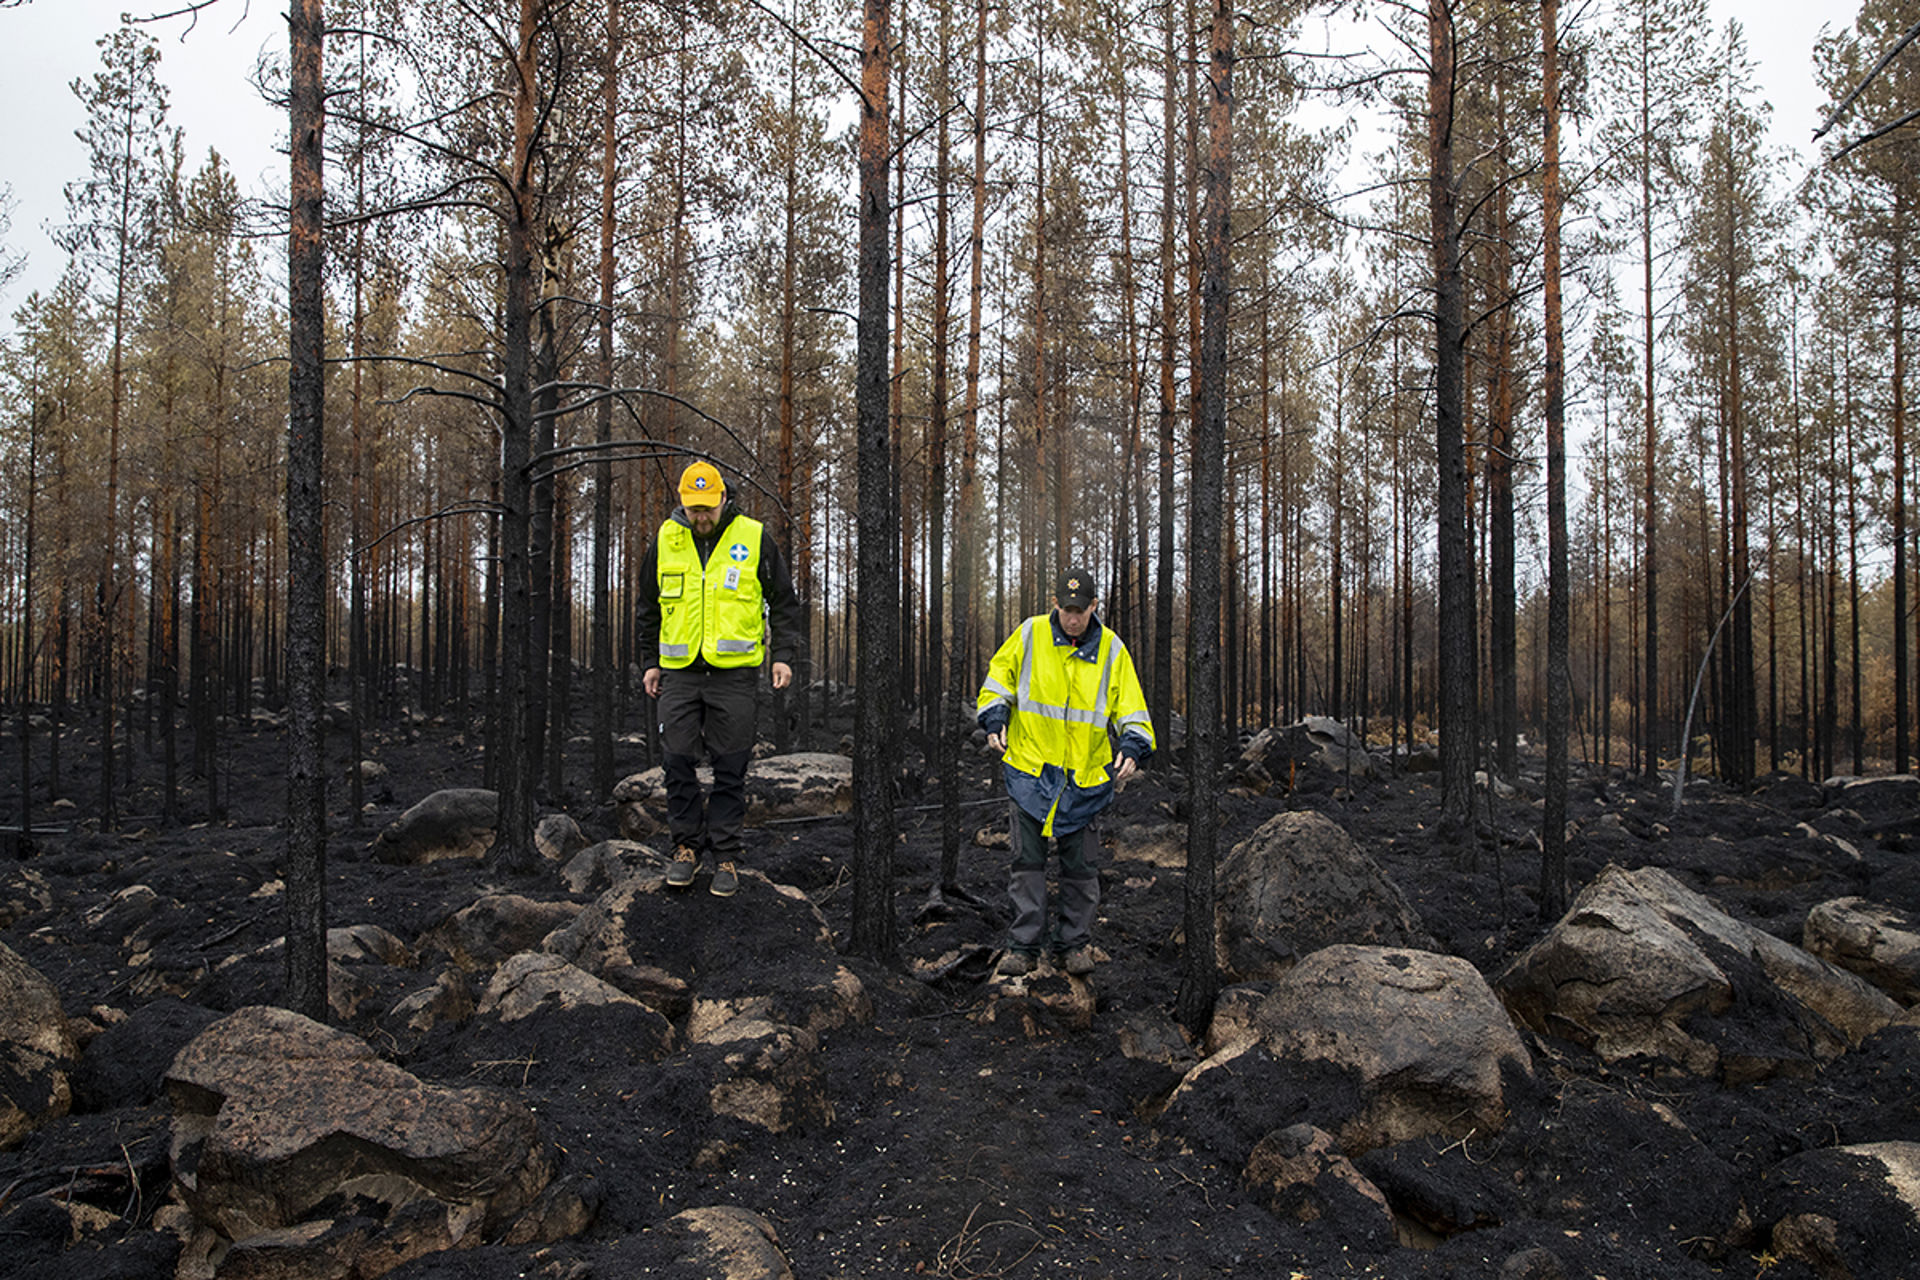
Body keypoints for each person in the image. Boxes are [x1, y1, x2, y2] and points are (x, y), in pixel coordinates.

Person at [976, 566, 1154, 976]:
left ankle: (1073, 945)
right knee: (1026, 865)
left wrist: (1132, 745)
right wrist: (995, 716)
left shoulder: (1112, 649)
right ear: (1055, 603)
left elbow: (1131, 707)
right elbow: (998, 679)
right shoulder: (1030, 634)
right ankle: (1023, 947)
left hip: (1085, 780)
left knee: (1081, 870)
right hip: (1030, 771)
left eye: (1081, 609)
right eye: (1067, 608)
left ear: (1094, 606)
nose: (1073, 618)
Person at [638, 460, 803, 897]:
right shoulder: (665, 540)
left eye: (708, 508)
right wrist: (649, 662)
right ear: (683, 504)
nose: (702, 517)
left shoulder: (752, 537)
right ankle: (686, 848)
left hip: (735, 675)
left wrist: (783, 656)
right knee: (676, 761)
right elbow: (647, 607)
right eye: (694, 509)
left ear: (723, 499)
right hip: (679, 673)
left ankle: (725, 853)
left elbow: (784, 602)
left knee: (731, 767)